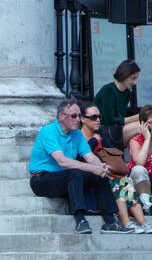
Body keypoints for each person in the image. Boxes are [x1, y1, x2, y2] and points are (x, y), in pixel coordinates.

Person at [28, 99, 130, 234]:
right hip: (41, 180)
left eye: (80, 116)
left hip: (64, 178)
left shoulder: (77, 133)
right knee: (75, 173)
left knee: (98, 175)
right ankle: (80, 220)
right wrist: (91, 168)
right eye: (74, 116)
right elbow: (62, 161)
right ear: (61, 117)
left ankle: (110, 221)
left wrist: (101, 167)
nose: (78, 120)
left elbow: (90, 157)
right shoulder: (48, 131)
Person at [81, 106, 152, 233]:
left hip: (106, 172)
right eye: (93, 117)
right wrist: (93, 141)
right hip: (88, 176)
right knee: (117, 185)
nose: (98, 120)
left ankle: (143, 223)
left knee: (126, 182)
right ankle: (126, 222)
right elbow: (79, 156)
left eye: (99, 117)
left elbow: (113, 153)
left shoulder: (100, 135)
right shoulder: (78, 137)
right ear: (82, 119)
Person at [93, 59, 142, 148]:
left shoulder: (126, 92)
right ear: (124, 75)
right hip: (104, 132)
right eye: (133, 78)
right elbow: (109, 121)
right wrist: (136, 117)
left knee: (148, 125)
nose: (135, 83)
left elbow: (120, 116)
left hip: (116, 130)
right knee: (141, 127)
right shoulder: (108, 90)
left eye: (136, 79)